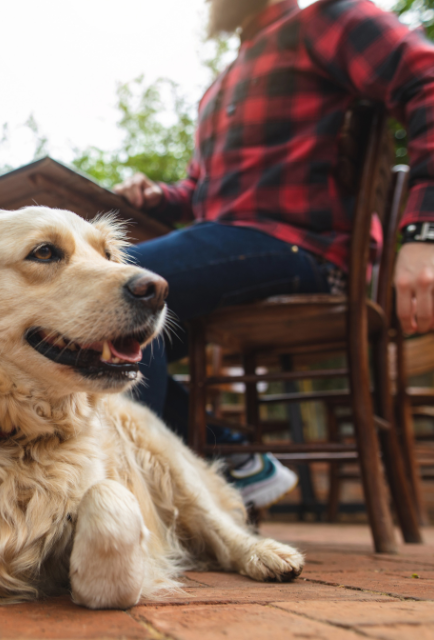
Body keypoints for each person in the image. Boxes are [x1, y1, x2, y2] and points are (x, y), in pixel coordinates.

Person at [115, 0, 434, 509]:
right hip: (233, 242)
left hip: (304, 250)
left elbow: (427, 78)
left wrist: (423, 230)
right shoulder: (218, 88)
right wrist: (158, 196)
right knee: (109, 324)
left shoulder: (329, 19)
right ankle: (229, 460)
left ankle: (135, 505)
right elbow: (199, 193)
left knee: (118, 286)